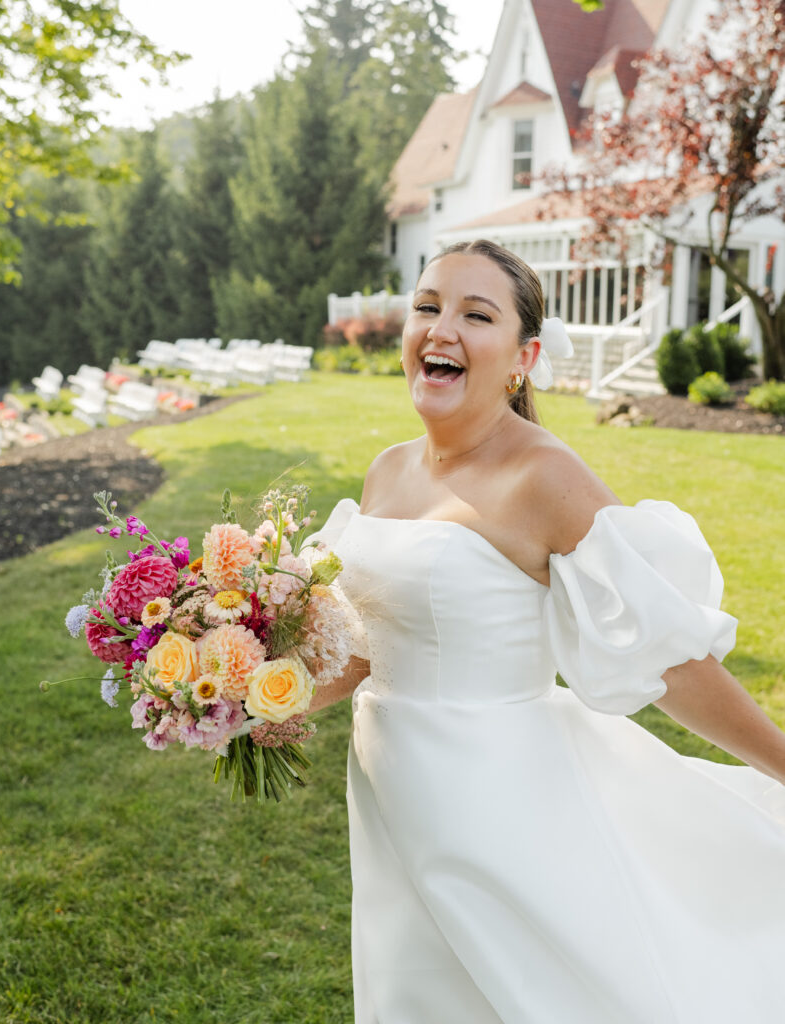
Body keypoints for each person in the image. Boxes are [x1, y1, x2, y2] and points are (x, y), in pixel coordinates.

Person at [309, 239, 785, 1023]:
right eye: (427, 307)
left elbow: (669, 657)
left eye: (475, 314)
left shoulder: (542, 476)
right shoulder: (387, 471)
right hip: (396, 796)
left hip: (502, 802)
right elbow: (369, 645)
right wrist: (255, 701)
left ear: (522, 356)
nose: (439, 329)